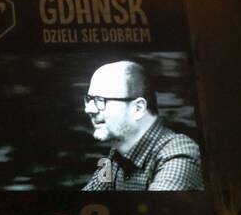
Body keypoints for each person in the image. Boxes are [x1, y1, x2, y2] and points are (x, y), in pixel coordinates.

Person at [81, 60, 203, 191]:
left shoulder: (179, 156)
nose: (89, 109)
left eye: (101, 100)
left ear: (138, 108)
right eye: (89, 99)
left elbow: (157, 210)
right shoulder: (116, 155)